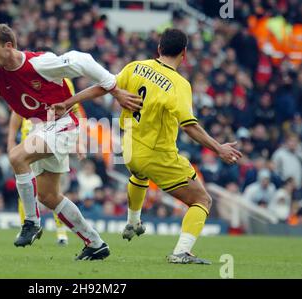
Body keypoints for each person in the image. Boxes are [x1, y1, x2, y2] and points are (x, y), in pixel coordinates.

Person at [0, 23, 141, 260]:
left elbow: (82, 59)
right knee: (48, 196)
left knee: (17, 156)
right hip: (42, 129)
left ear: (9, 46)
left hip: (63, 124)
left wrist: (114, 88)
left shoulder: (41, 63)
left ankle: (31, 222)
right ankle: (95, 244)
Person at [52, 28, 242, 264]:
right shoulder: (179, 84)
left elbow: (105, 86)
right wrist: (218, 148)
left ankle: (133, 222)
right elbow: (189, 125)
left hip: (129, 148)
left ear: (159, 48)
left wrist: (69, 102)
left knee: (139, 176)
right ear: (184, 53)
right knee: (202, 201)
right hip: (157, 154)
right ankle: (181, 252)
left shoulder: (135, 67)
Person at [7, 75, 82, 247]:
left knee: (51, 191)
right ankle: (26, 227)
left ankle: (61, 232)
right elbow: (17, 111)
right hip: (29, 136)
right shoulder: (25, 79)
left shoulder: (65, 82)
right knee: (25, 187)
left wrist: (79, 141)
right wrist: (11, 140)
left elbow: (75, 110)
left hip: (53, 137)